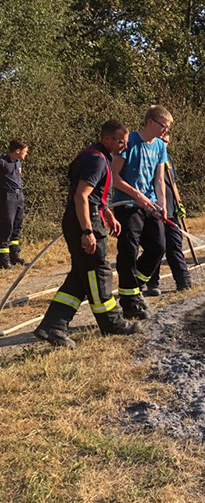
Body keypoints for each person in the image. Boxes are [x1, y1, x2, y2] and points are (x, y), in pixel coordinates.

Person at [33, 120, 140, 348]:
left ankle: (53, 326)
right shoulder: (96, 160)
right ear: (107, 138)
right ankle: (111, 323)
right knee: (98, 271)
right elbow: (81, 196)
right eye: (120, 141)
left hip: (88, 218)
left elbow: (94, 198)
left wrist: (108, 214)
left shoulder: (98, 156)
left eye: (126, 142)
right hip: (84, 222)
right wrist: (87, 231)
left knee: (81, 276)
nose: (124, 146)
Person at [112, 105, 171, 321]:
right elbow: (114, 177)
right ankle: (129, 302)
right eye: (164, 126)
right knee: (129, 250)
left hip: (150, 206)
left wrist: (161, 205)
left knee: (158, 247)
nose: (166, 132)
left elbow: (159, 180)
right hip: (127, 205)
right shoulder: (129, 143)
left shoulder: (160, 147)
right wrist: (138, 196)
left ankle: (133, 288)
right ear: (150, 123)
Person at [144, 131, 192, 296]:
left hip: (171, 210)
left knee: (175, 244)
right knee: (157, 246)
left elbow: (173, 184)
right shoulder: (149, 158)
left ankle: (183, 281)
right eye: (161, 139)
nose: (164, 142)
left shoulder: (168, 159)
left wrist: (179, 203)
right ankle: (152, 282)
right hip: (154, 211)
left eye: (166, 140)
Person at [0, 139, 29, 269]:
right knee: (7, 227)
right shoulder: (2, 162)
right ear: (17, 151)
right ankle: (3, 259)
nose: (26, 153)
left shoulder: (18, 162)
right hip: (8, 196)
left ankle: (14, 255)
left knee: (17, 226)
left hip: (19, 195)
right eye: (25, 151)